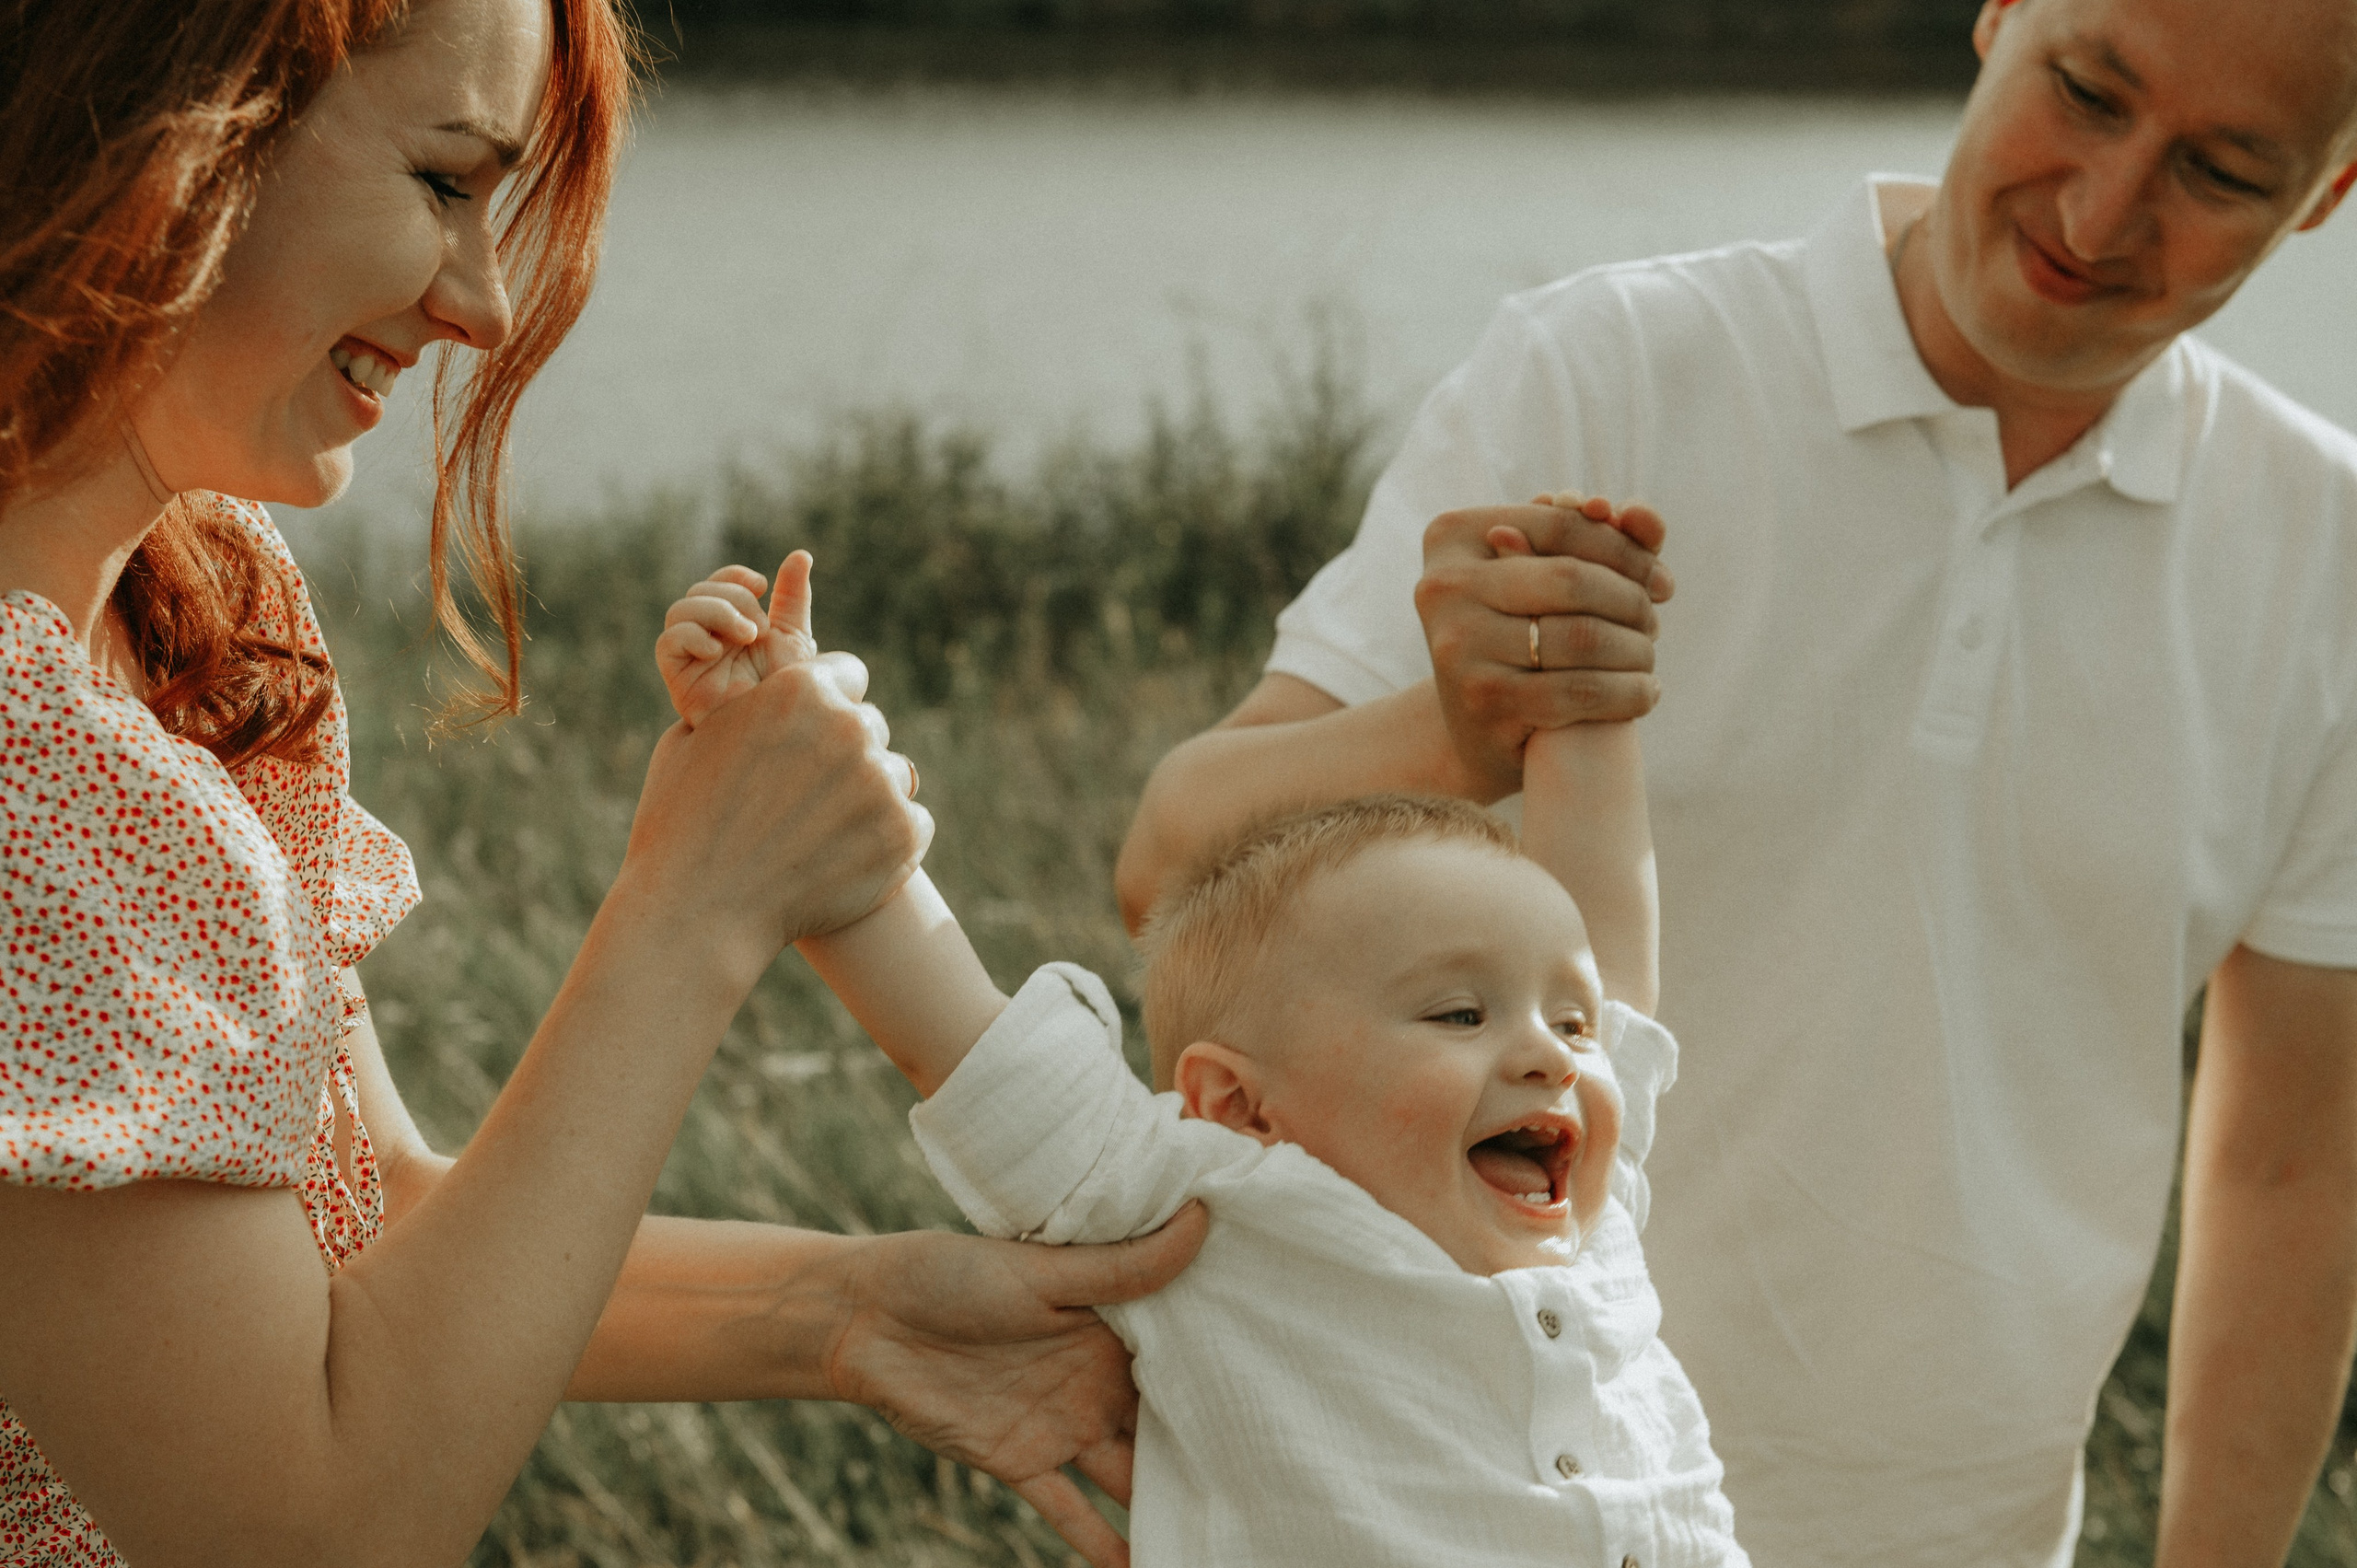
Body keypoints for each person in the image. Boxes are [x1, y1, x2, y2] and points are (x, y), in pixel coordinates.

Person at [1115, 0, 2357, 1564]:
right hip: (1437, 1516)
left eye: (2225, 171)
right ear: (1997, 16)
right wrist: (1448, 731)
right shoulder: (1614, 368)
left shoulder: (2329, 555)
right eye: (2087, 91)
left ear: (2329, 190)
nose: (2102, 211)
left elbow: (2293, 1162)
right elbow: (1170, 866)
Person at [0, 3, 1202, 1564]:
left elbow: (363, 1239)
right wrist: (697, 901)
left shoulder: (196, 603)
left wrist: (849, 1310)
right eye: (446, 184)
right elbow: (306, 1520)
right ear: (166, 118)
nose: (487, 304)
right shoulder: (37, 779)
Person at [654, 525, 1747, 1567]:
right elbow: (965, 1042)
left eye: (1569, 1023)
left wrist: (1584, 686)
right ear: (1237, 1102)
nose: (1553, 1057)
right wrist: (780, 751)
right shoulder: (1215, 1220)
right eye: (1460, 1014)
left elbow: (1597, 934)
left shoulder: (1590, 1221)